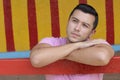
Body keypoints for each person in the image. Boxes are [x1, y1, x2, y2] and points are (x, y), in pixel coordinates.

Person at [30, 4, 114, 80]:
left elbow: (101, 57)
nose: (77, 28)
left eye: (85, 25)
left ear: (92, 32)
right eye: (74, 21)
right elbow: (36, 59)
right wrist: (77, 45)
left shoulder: (96, 44)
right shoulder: (51, 42)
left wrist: (57, 54)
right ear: (68, 21)